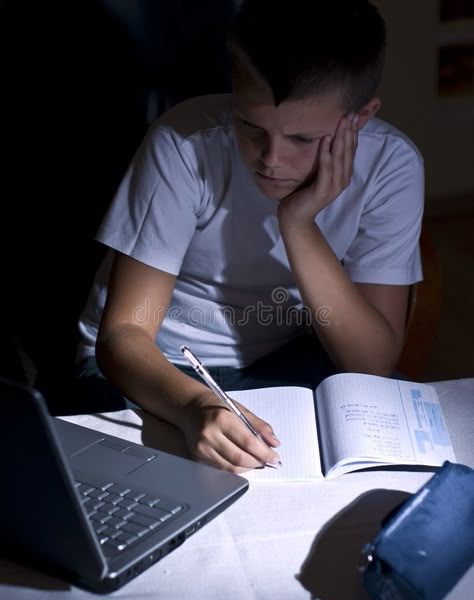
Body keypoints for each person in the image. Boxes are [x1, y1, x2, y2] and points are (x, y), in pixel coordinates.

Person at [76, 0, 424, 473]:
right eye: (251, 126)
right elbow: (123, 334)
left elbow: (371, 365)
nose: (271, 159)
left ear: (360, 117)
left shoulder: (392, 167)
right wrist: (193, 406)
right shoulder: (183, 146)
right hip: (154, 365)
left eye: (302, 139)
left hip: (285, 356)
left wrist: (298, 224)